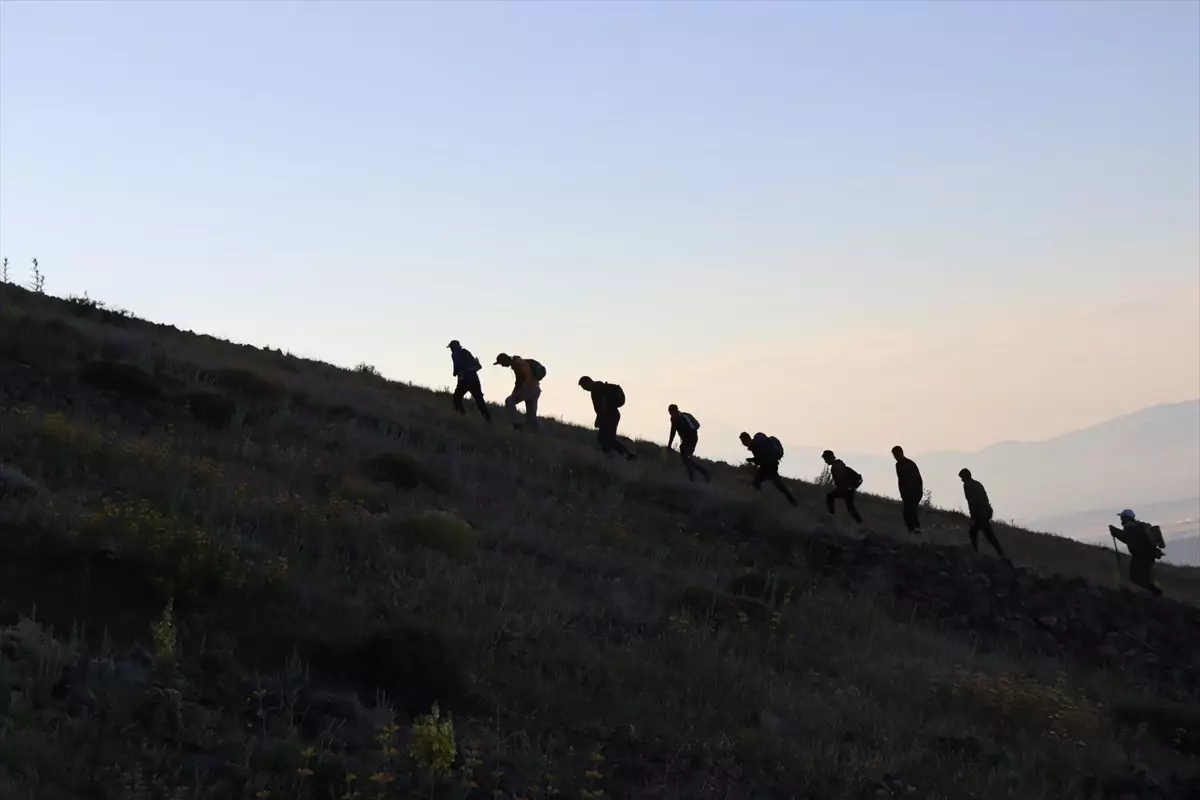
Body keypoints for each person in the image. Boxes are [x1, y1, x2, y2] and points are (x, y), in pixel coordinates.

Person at [1109, 509, 1165, 596]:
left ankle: (1155, 593)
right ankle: (1154, 593)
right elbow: (1128, 539)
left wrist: (1114, 531)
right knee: (1140, 576)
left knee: (1136, 577)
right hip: (1147, 555)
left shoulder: (1130, 527)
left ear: (1125, 518)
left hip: (1141, 556)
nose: (1121, 520)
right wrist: (1115, 532)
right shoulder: (1136, 527)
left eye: (1122, 517)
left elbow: (1125, 537)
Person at [578, 376, 636, 460]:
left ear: (587, 382)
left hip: (609, 415)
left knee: (605, 438)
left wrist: (600, 418)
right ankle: (617, 455)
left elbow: (602, 405)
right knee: (605, 438)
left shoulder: (596, 388)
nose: (584, 389)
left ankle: (616, 455)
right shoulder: (597, 387)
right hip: (612, 414)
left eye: (583, 386)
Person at [958, 468, 1006, 558]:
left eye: (962, 478)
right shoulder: (977, 484)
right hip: (986, 511)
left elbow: (971, 501)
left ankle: (978, 552)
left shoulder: (967, 485)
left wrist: (974, 514)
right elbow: (984, 498)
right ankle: (999, 553)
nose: (961, 480)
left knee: (985, 534)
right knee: (980, 532)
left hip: (981, 513)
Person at [739, 432, 797, 506]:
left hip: (769, 466)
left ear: (747, 439)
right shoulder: (756, 444)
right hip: (771, 465)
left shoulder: (755, 445)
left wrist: (753, 460)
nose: (743, 443)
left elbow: (761, 459)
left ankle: (759, 502)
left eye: (743, 441)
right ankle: (792, 500)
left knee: (759, 482)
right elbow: (761, 458)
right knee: (776, 484)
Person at [494, 353, 544, 430]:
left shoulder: (519, 363)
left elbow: (528, 376)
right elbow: (519, 381)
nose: (502, 365)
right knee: (532, 418)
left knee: (509, 401)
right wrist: (516, 392)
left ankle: (515, 424)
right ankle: (543, 434)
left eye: (501, 363)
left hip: (529, 389)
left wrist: (522, 389)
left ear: (505, 360)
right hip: (535, 390)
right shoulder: (516, 364)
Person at [447, 340, 491, 422]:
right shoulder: (455, 355)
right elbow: (457, 369)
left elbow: (477, 366)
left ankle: (463, 416)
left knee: (458, 398)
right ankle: (488, 420)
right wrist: (457, 372)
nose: (451, 349)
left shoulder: (464, 353)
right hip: (469, 380)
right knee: (478, 400)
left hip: (470, 379)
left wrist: (463, 371)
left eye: (452, 347)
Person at [666, 404, 710, 482]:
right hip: (693, 437)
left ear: (675, 411)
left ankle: (703, 473)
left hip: (690, 438)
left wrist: (669, 445)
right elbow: (697, 425)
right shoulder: (686, 415)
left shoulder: (675, 419)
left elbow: (673, 432)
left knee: (686, 458)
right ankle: (695, 476)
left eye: (671, 412)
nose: (671, 414)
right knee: (687, 459)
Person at [821, 450, 864, 524]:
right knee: (850, 508)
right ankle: (860, 523)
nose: (825, 461)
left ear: (828, 458)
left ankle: (832, 517)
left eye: (825, 458)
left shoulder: (836, 466)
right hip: (847, 489)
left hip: (845, 489)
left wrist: (843, 488)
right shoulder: (838, 464)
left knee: (830, 497)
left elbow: (840, 479)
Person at [891, 445, 922, 534]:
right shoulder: (911, 463)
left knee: (909, 512)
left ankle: (914, 530)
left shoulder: (899, 464)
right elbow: (918, 478)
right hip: (915, 491)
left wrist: (903, 492)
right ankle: (914, 530)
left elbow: (902, 480)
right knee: (910, 511)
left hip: (909, 492)